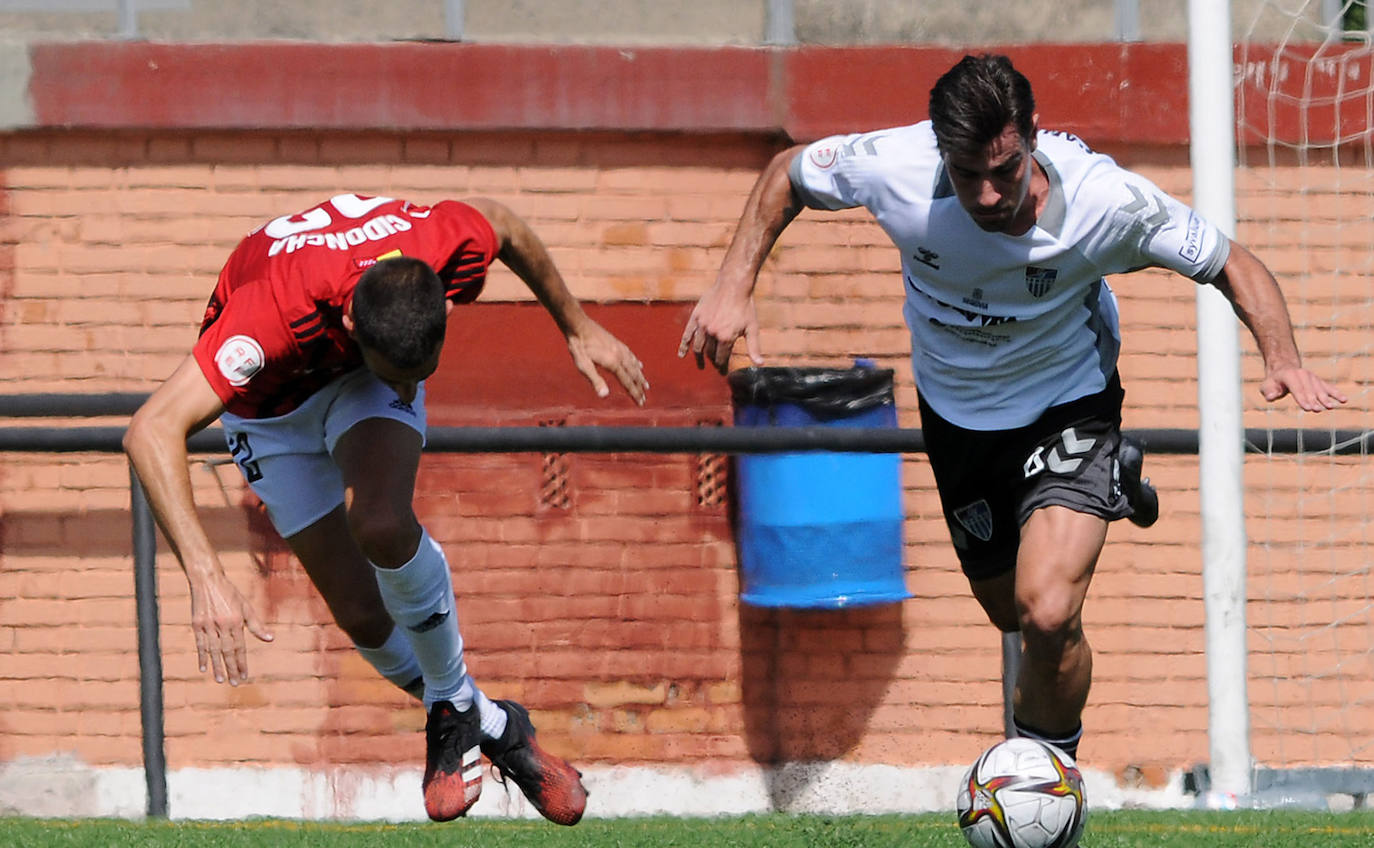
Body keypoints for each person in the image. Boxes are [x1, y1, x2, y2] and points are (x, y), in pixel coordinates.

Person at [679, 54, 1345, 762]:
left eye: (1007, 170)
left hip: (1068, 406)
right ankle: (1115, 485)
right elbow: (787, 172)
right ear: (942, 153)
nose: (991, 195)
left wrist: (1282, 357)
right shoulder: (894, 168)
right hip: (959, 421)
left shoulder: (1106, 204)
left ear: (1032, 133)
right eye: (969, 176)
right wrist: (732, 284)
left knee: (1048, 613)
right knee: (1011, 615)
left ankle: (1045, 779)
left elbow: (1231, 262)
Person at [125, 192, 649, 825]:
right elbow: (151, 429)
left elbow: (504, 224)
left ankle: (455, 713)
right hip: (269, 415)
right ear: (349, 327)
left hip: (357, 381)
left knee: (379, 523)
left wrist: (575, 322)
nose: (412, 388)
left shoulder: (436, 247)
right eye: (403, 374)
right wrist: (206, 576)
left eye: (420, 373)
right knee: (362, 616)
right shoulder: (265, 319)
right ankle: (488, 721)